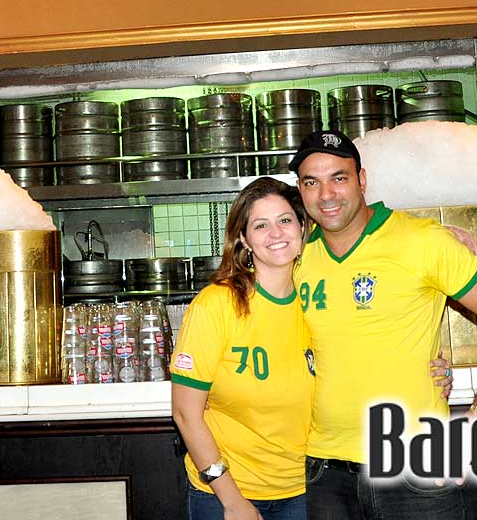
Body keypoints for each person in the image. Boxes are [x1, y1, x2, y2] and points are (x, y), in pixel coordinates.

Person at [171, 178, 454, 520]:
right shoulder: (217, 304)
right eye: (260, 225)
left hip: (307, 491)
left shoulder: (316, 301)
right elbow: (185, 414)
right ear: (244, 239)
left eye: (285, 220)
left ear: (303, 228)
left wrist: (428, 367)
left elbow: (367, 349)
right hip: (224, 493)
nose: (276, 233)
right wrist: (232, 501)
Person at [288, 130, 477, 519]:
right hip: (326, 473)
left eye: (339, 178)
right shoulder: (297, 257)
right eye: (311, 182)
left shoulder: (422, 241)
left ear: (362, 180)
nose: (326, 194)